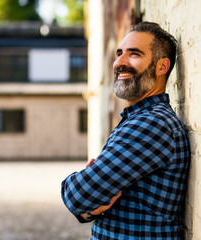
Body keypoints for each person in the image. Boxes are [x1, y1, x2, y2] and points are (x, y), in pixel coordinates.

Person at [61, 21, 191, 239]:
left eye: (134, 54)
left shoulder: (153, 124)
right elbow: (86, 202)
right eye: (119, 53)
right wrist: (90, 208)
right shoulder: (137, 119)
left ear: (162, 66)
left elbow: (77, 195)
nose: (119, 62)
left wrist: (79, 186)